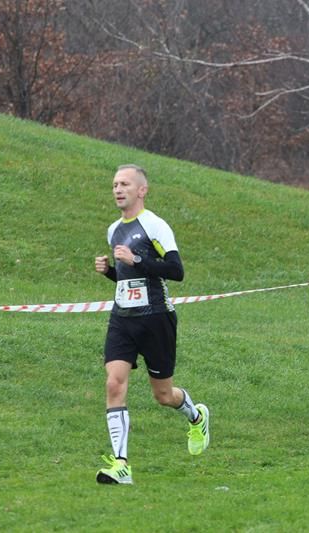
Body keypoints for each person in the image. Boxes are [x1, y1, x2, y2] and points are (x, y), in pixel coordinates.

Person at [93, 164, 209, 484]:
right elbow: (128, 279)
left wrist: (137, 259)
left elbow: (175, 270)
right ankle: (121, 465)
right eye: (115, 185)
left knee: (163, 395)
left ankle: (196, 416)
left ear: (142, 190)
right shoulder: (113, 230)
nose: (118, 189)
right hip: (122, 318)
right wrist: (110, 272)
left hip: (156, 318)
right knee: (114, 383)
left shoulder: (154, 225)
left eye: (125, 184)